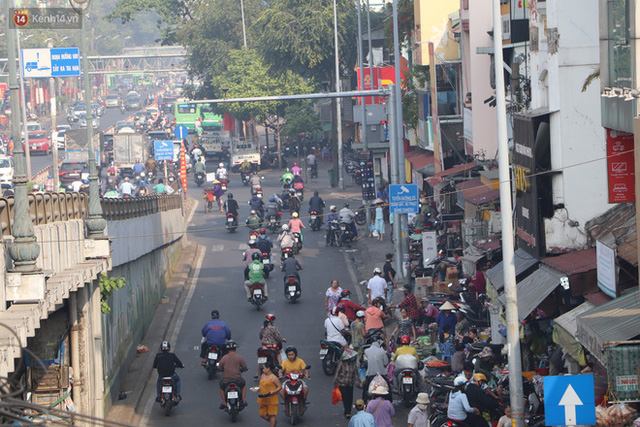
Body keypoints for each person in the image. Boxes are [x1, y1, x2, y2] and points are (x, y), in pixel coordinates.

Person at [218, 340, 248, 409]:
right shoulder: (239, 357)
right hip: (237, 380)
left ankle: (224, 402)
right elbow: (245, 367)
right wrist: (243, 370)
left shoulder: (224, 358)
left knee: (221, 388)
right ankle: (243, 400)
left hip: (226, 381)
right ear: (235, 348)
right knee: (243, 385)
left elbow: (220, 368)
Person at [334, 348, 359, 419]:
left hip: (350, 383)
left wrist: (359, 382)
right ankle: (347, 411)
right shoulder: (342, 363)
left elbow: (356, 373)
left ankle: (349, 410)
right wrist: (335, 382)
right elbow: (337, 372)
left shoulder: (353, 363)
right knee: (345, 397)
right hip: (343, 383)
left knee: (350, 397)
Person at [257, 361, 281, 427]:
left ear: (268, 368)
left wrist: (274, 391)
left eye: (264, 367)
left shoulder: (274, 378)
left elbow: (279, 387)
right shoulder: (262, 375)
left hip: (271, 398)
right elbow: (262, 385)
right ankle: (273, 422)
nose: (262, 369)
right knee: (262, 414)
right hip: (263, 397)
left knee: (272, 414)